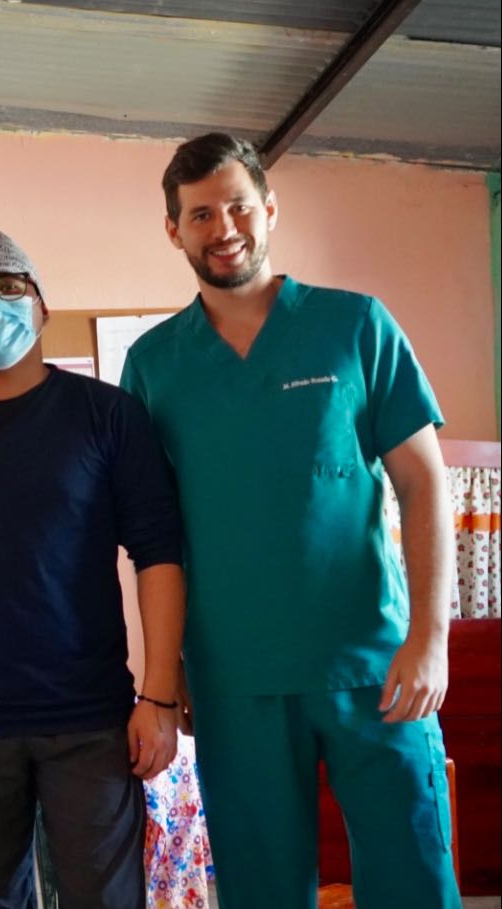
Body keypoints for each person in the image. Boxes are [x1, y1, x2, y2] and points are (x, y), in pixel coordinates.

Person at [120, 132, 461, 909]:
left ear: (269, 209)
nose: (224, 228)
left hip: (375, 663)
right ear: (174, 230)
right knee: (263, 889)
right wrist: (164, 680)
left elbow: (423, 481)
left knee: (412, 873)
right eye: (201, 214)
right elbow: (152, 539)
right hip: (234, 679)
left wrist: (430, 637)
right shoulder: (154, 364)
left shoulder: (355, 326)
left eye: (238, 206)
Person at [0, 230, 186, 909]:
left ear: (42, 305)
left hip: (91, 718)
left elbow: (159, 555)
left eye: (9, 285)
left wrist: (160, 697)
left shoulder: (109, 416)